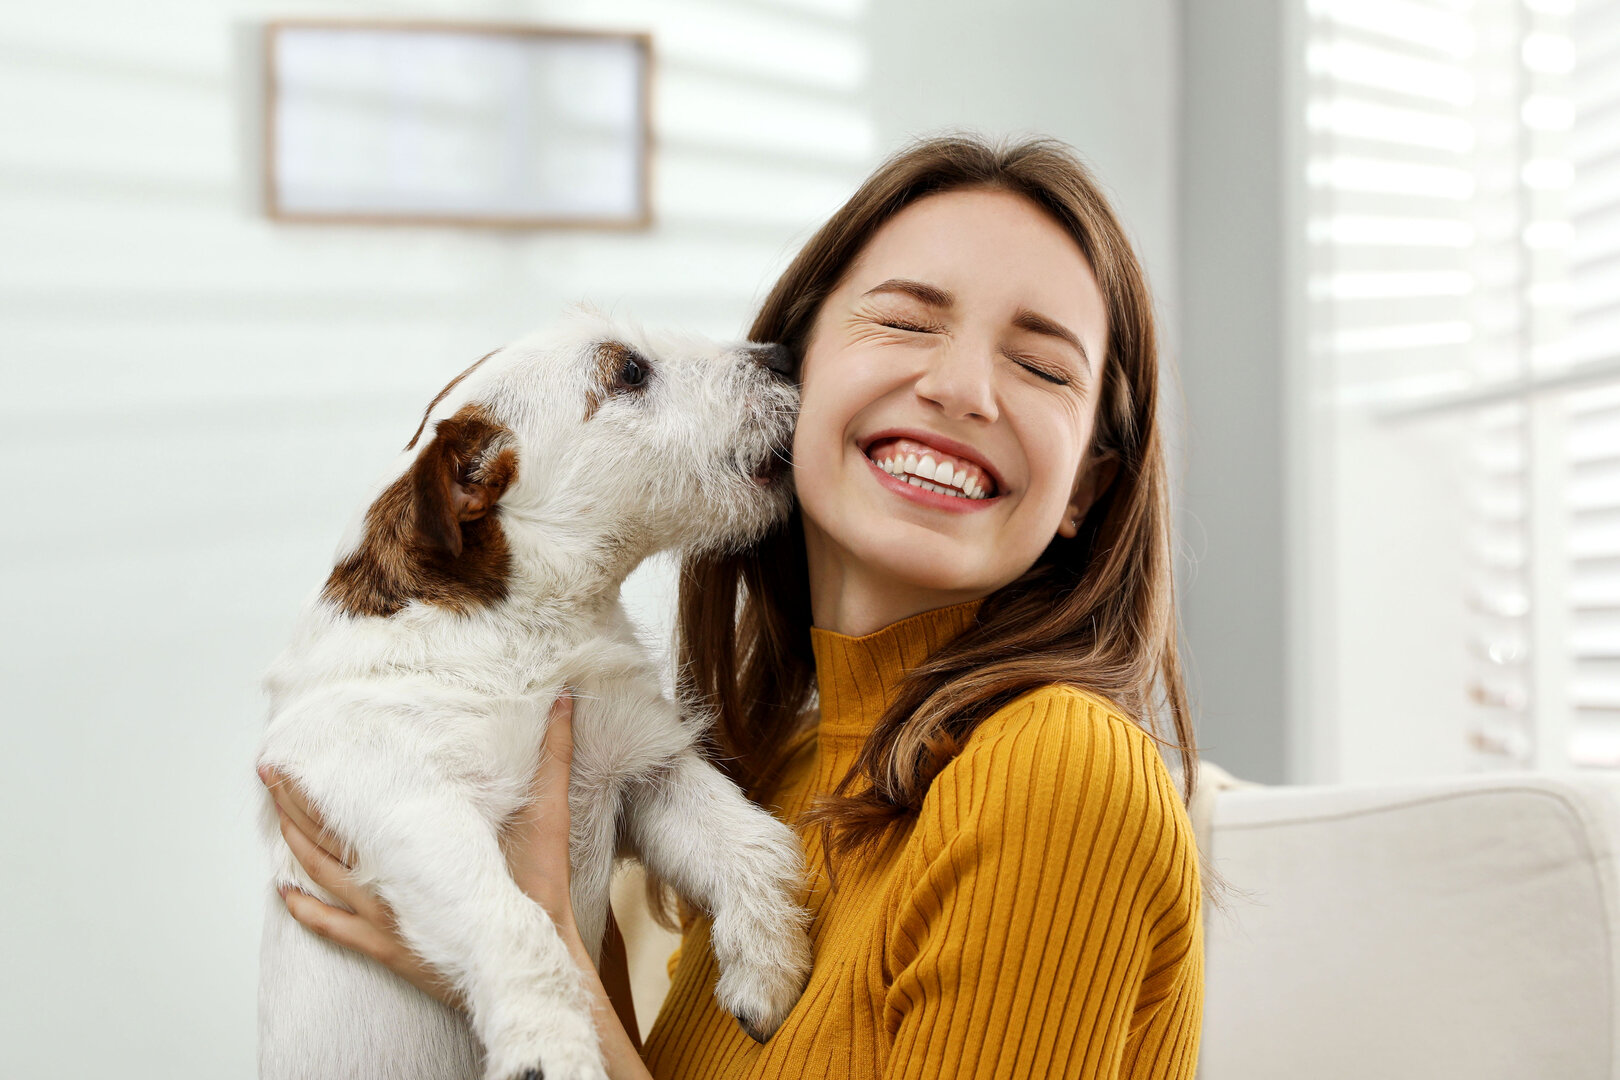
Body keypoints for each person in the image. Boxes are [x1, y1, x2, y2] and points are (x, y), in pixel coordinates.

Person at [260, 132, 1210, 1079]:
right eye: (908, 322)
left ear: (1086, 486)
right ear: (799, 365)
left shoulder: (1060, 773)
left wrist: (538, 948)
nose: (960, 389)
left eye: (1043, 367)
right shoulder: (786, 768)